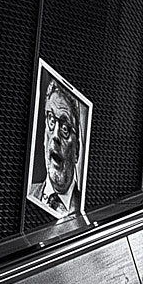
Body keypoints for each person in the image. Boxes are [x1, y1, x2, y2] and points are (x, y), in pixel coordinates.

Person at [27, 76, 83, 219]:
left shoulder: (84, 211)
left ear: (76, 150)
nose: (55, 136)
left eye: (65, 128)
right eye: (51, 120)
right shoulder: (30, 191)